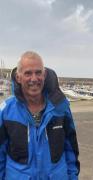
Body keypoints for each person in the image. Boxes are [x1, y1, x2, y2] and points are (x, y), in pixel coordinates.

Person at [0, 51, 80, 180]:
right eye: (28, 73)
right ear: (18, 77)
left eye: (38, 72)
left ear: (45, 74)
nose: (34, 79)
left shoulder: (61, 108)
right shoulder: (6, 112)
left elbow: (71, 150)